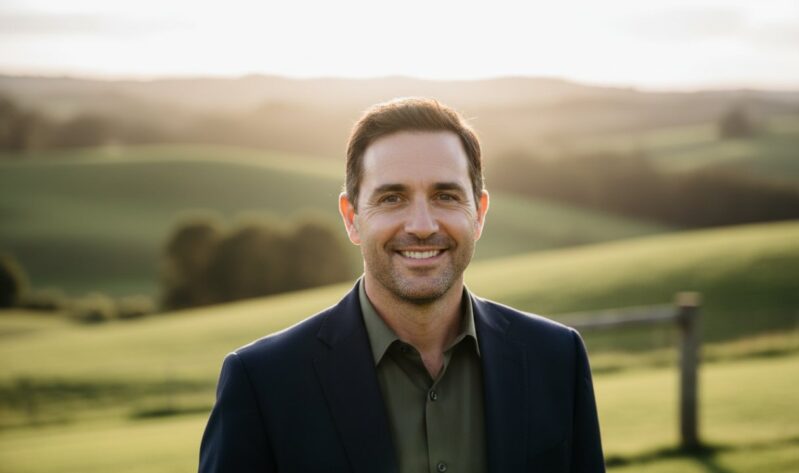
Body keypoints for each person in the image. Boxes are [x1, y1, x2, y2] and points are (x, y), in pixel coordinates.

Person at [199, 97, 605, 473]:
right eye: (392, 198)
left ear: (479, 213)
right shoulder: (264, 383)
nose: (422, 226)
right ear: (352, 217)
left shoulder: (556, 359)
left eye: (445, 195)